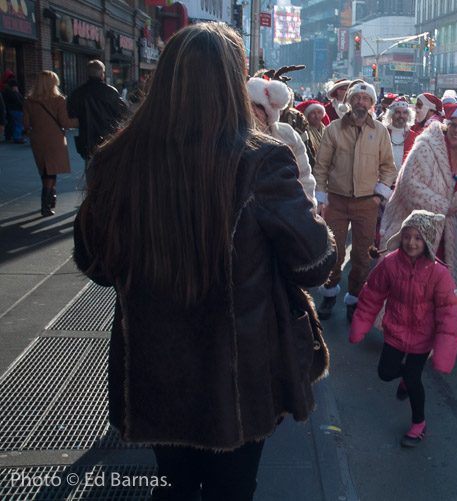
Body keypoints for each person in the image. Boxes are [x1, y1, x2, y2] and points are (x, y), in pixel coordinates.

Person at [72, 23, 335, 500]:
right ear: (233, 83)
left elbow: (94, 265)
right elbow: (314, 263)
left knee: (169, 486)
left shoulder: (117, 159)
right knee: (231, 490)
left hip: (154, 370)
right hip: (238, 376)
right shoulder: (262, 160)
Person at [349, 210, 457, 447]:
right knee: (385, 372)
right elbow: (372, 294)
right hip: (396, 331)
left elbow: (449, 314)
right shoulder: (390, 263)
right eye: (407, 236)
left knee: (413, 378)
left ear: (428, 242)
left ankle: (418, 424)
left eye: (418, 238)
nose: (411, 243)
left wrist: (443, 354)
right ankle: (403, 379)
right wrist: (360, 326)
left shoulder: (439, 273)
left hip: (422, 335)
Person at [314, 80, 397, 321]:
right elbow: (321, 167)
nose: (361, 103)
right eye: (357, 98)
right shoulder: (334, 129)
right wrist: (321, 196)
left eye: (366, 99)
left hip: (366, 203)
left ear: (372, 104)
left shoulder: (380, 131)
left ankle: (355, 299)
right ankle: (329, 295)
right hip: (337, 201)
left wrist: (378, 196)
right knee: (333, 253)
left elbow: (388, 168)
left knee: (361, 255)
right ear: (349, 101)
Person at [380, 104, 457, 291]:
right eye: (454, 125)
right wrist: (442, 206)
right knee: (406, 284)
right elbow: (409, 185)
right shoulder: (425, 146)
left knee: (438, 286)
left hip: (446, 234)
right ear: (447, 125)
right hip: (413, 229)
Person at [247, 77, 317, 208]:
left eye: (259, 106)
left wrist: (308, 209)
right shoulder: (236, 138)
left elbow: (304, 178)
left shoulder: (288, 135)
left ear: (269, 111)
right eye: (249, 106)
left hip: (286, 210)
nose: (253, 112)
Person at [22, 70, 79, 216]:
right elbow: (65, 122)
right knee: (51, 171)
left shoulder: (29, 101)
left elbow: (26, 124)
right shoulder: (58, 100)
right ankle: (46, 204)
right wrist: (81, 121)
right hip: (54, 139)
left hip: (37, 140)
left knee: (45, 170)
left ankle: (50, 199)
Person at [67, 60, 128, 163]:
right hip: (108, 139)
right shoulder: (110, 92)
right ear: (102, 74)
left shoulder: (78, 93)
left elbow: (71, 114)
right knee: (108, 169)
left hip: (87, 139)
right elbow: (123, 112)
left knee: (90, 169)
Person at [402, 93, 442, 160]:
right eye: (416, 104)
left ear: (429, 108)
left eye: (419, 105)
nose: (416, 107)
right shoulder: (422, 123)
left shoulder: (434, 126)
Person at [382, 96, 414, 173]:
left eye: (405, 112)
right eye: (397, 112)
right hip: (385, 181)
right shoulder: (382, 133)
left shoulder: (414, 137)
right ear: (391, 114)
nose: (401, 116)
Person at [295, 99, 329, 167]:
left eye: (319, 112)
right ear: (307, 116)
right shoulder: (305, 133)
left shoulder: (329, 130)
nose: (316, 116)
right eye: (313, 113)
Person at [2, 79, 25, 143]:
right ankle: (17, 137)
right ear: (14, 86)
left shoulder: (7, 92)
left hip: (12, 109)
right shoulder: (13, 93)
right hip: (16, 110)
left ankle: (13, 136)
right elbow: (19, 101)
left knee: (14, 123)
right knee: (18, 124)